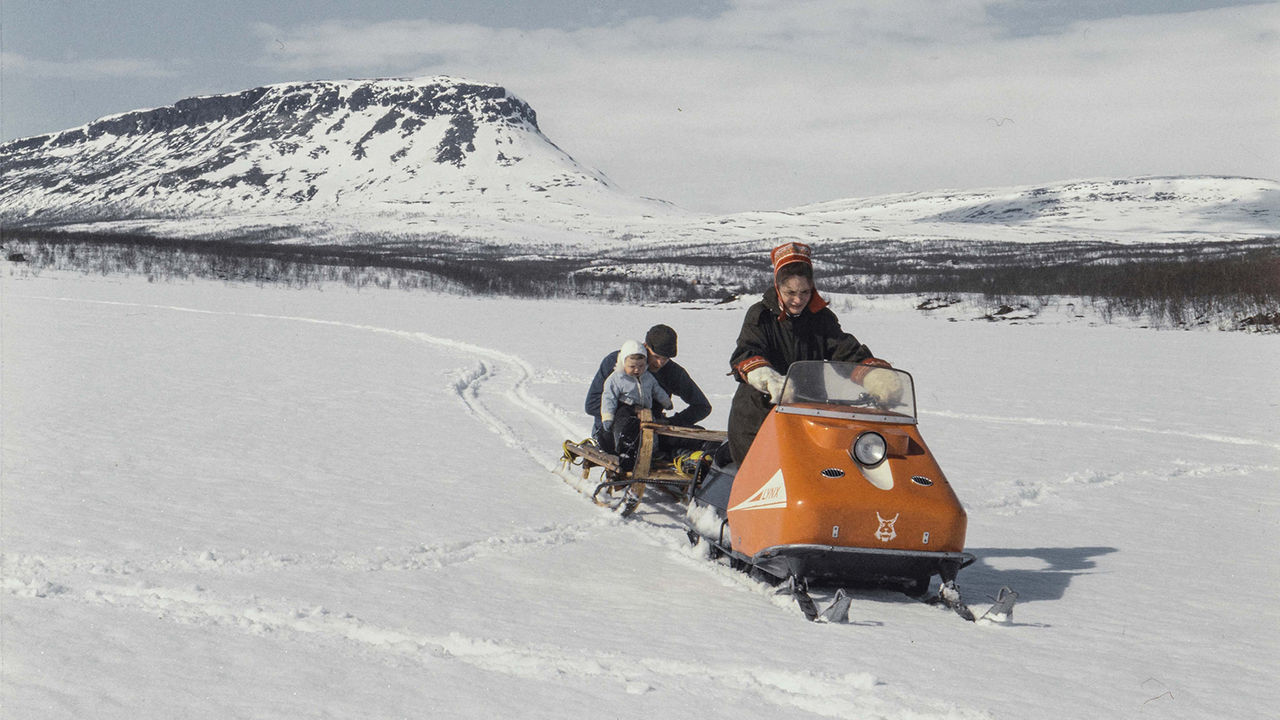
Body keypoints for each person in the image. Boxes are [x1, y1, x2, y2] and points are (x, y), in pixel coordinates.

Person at [727, 241, 891, 464]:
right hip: (759, 416)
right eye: (790, 292)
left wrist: (873, 376)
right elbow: (746, 353)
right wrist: (768, 378)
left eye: (804, 292)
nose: (797, 300)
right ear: (778, 288)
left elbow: (843, 349)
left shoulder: (820, 317)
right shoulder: (760, 316)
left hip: (808, 413)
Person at [584, 324, 712, 453]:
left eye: (665, 358)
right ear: (645, 347)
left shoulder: (672, 372)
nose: (660, 363)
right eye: (656, 356)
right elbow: (592, 404)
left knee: (697, 435)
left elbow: (702, 406)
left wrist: (670, 422)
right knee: (629, 441)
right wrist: (631, 412)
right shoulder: (616, 362)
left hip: (652, 430)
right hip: (611, 430)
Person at [600, 340, 673, 470]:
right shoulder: (617, 378)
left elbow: (657, 390)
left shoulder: (648, 377)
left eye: (641, 366)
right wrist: (608, 417)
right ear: (623, 363)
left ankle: (652, 452)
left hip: (645, 409)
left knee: (652, 428)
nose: (637, 370)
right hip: (625, 409)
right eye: (632, 366)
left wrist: (666, 402)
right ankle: (622, 450)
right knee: (624, 428)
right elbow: (608, 397)